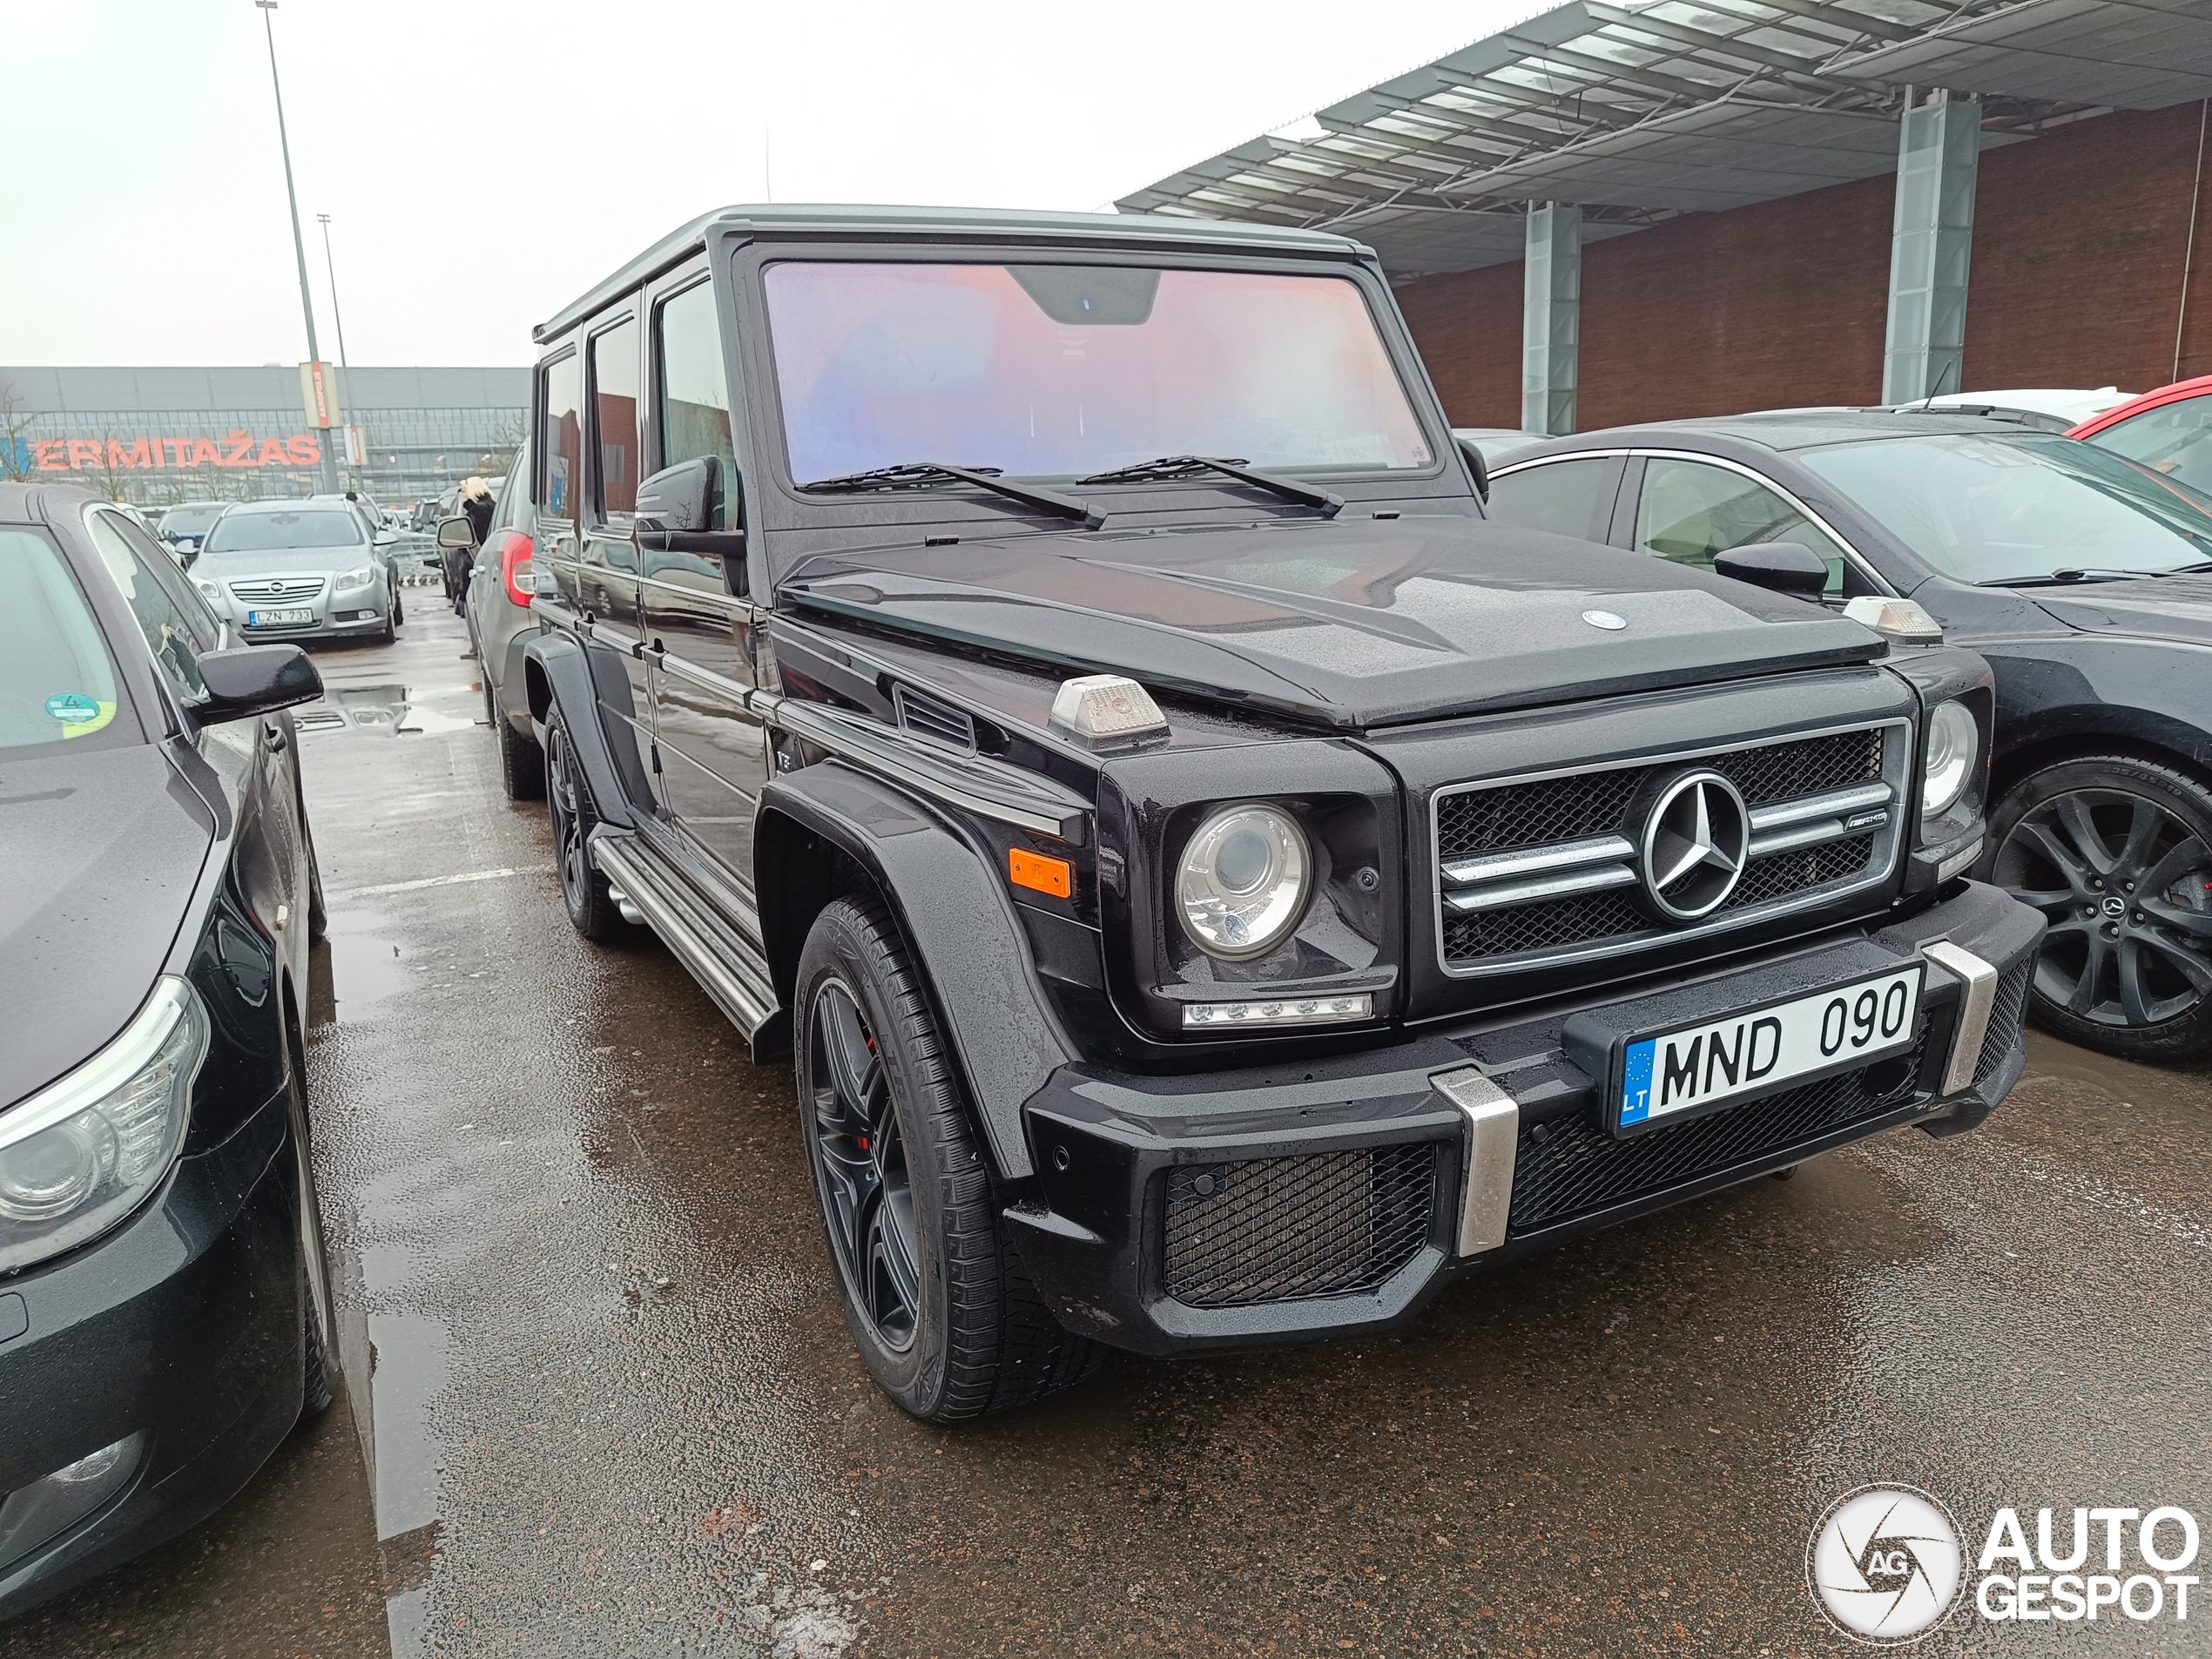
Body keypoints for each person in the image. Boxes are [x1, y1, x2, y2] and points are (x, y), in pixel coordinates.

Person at [446, 476, 495, 613]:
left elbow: (472, 539)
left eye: (464, 490)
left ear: (473, 490)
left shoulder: (478, 512)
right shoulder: (493, 507)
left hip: (478, 563)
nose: (463, 494)